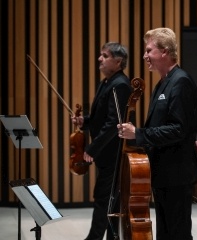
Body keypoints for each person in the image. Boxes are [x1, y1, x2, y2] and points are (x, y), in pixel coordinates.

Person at [117, 27, 197, 240]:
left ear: (164, 52)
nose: (145, 55)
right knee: (165, 234)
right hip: (163, 174)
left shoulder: (181, 81)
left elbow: (178, 129)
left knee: (177, 234)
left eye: (149, 50)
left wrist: (138, 133)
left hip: (176, 174)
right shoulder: (162, 84)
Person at [72, 42, 132, 240]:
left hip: (113, 154)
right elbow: (101, 117)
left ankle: (94, 238)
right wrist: (85, 121)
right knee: (108, 201)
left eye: (105, 56)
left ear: (118, 61)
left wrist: (93, 148)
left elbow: (114, 122)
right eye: (101, 55)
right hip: (106, 155)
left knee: (104, 200)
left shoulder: (121, 84)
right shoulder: (107, 82)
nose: (100, 58)